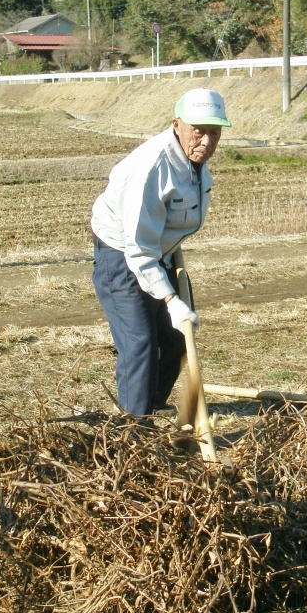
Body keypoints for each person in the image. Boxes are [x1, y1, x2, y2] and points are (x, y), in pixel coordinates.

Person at [90, 88, 230, 417]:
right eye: (199, 132)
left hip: (159, 253)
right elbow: (138, 250)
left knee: (178, 340)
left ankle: (149, 403)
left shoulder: (193, 159)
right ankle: (133, 431)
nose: (207, 142)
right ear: (177, 125)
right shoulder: (150, 169)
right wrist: (171, 300)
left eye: (214, 133)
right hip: (122, 255)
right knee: (139, 343)